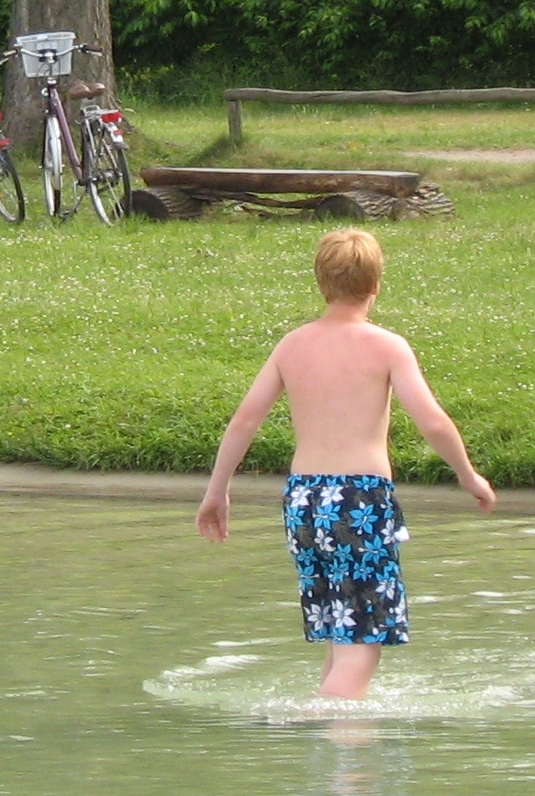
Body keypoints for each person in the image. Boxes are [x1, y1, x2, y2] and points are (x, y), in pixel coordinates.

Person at [196, 227, 496, 700]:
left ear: (320, 282)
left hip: (305, 501)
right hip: (361, 500)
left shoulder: (292, 345)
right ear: (376, 284)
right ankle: (343, 755)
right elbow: (433, 422)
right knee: (363, 642)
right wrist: (468, 475)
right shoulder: (387, 346)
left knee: (341, 632)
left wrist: (217, 492)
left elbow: (244, 420)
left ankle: (332, 762)